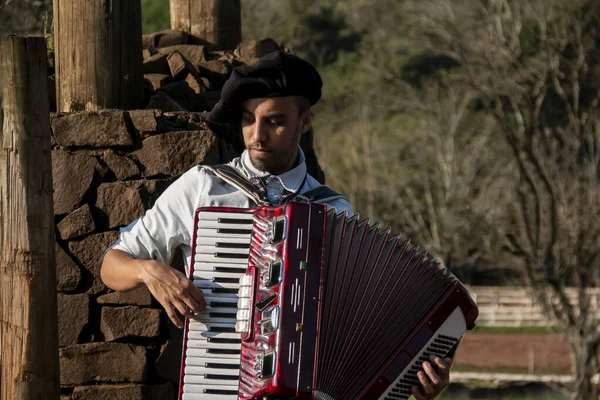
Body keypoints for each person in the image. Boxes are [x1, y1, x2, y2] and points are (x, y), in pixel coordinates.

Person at [100, 50, 451, 400]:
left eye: (275, 121)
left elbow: (356, 327)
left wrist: (411, 378)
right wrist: (148, 270)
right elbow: (111, 266)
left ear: (306, 122)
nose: (257, 135)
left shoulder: (332, 210)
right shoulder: (204, 187)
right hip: (217, 387)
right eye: (249, 119)